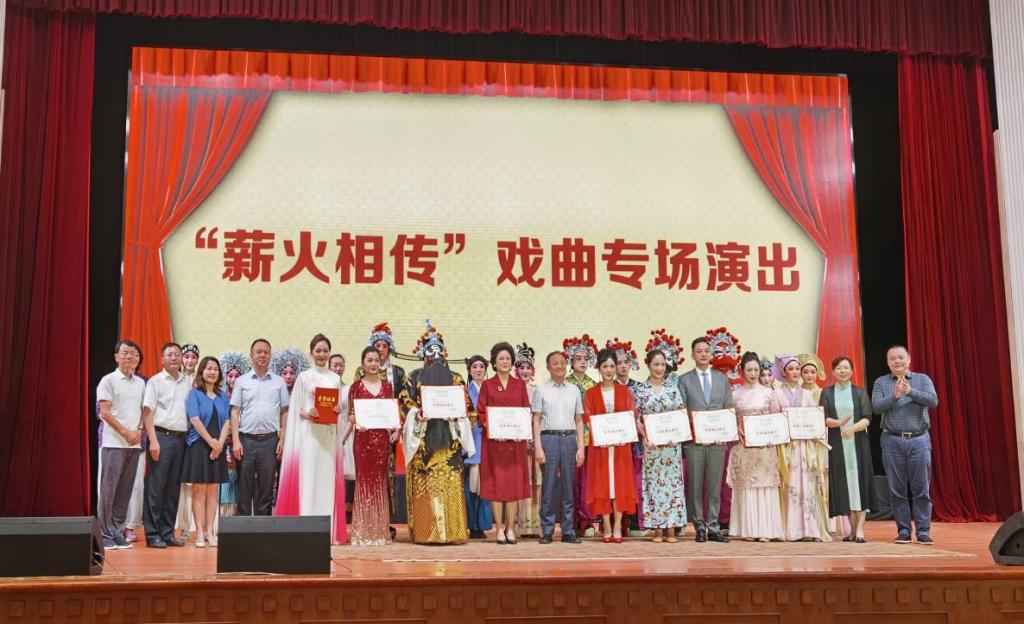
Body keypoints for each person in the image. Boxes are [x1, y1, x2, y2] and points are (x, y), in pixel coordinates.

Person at [400, 324, 475, 544]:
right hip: (424, 445)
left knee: (450, 486)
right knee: (425, 486)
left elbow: (469, 410)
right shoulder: (413, 377)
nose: (435, 359)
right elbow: (404, 402)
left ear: (444, 356)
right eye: (430, 355)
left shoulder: (456, 379)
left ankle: (453, 532)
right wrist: (417, 413)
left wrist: (458, 415)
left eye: (439, 355)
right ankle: (426, 533)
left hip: (450, 445)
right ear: (424, 357)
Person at [275, 334, 348, 544]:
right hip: (309, 436)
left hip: (328, 437)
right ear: (311, 353)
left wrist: (337, 410)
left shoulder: (335, 379)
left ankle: (326, 531)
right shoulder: (303, 377)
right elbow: (296, 408)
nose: (322, 354)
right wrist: (308, 413)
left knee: (326, 479)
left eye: (325, 351)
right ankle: (305, 529)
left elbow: (337, 408)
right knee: (308, 478)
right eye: (318, 351)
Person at [871, 345, 938, 545]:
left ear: (908, 359)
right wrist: (895, 396)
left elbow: (933, 401)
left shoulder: (922, 379)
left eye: (900, 357)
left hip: (919, 440)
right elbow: (876, 407)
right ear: (888, 362)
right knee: (896, 490)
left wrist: (911, 392)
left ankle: (923, 531)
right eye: (892, 358)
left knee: (921, 489)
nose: (897, 361)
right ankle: (904, 531)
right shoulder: (881, 382)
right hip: (892, 441)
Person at [677, 336, 734, 543]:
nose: (703, 354)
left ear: (711, 354)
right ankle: (699, 526)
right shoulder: (684, 380)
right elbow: (682, 410)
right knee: (695, 485)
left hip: (717, 441)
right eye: (698, 351)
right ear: (692, 355)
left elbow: (729, 407)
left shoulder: (721, 379)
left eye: (706, 351)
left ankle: (713, 526)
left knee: (714, 485)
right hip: (695, 442)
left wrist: (724, 433)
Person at [582, 349, 639, 543]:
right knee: (603, 486)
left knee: (620, 485)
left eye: (612, 366)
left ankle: (617, 525)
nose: (609, 370)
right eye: (605, 366)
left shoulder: (624, 392)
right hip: (600, 447)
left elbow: (631, 416)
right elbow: (588, 419)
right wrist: (602, 434)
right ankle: (606, 524)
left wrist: (624, 434)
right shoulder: (590, 393)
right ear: (598, 368)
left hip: (621, 447)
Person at [478, 342, 532, 545]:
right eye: (501, 358)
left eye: (508, 358)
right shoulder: (488, 385)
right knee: (496, 485)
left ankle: (510, 528)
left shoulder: (519, 385)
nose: (505, 361)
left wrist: (522, 431)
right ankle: (499, 528)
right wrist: (492, 429)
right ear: (494, 361)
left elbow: (525, 410)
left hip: (515, 444)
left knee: (512, 486)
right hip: (494, 444)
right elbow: (481, 412)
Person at [727, 352, 784, 542]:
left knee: (765, 486)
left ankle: (766, 530)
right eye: (749, 370)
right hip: (743, 447)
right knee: (747, 487)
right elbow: (730, 420)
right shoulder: (735, 394)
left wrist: (772, 435)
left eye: (756, 370)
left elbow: (776, 419)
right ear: (742, 371)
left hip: (765, 448)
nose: (753, 373)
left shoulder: (769, 393)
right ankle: (749, 530)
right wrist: (738, 431)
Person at [773, 354, 831, 542]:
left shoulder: (807, 395)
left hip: (805, 447)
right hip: (786, 447)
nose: (795, 372)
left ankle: (810, 529)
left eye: (797, 369)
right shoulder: (777, 394)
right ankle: (791, 530)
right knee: (790, 484)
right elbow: (774, 421)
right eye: (791, 369)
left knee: (807, 485)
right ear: (783, 372)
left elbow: (814, 420)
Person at [96, 340, 146, 550]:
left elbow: (144, 410)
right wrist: (126, 432)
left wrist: (139, 430)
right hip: (113, 443)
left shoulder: (141, 383)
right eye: (125, 353)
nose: (129, 357)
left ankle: (117, 531)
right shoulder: (108, 380)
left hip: (133, 445)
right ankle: (104, 533)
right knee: (109, 490)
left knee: (124, 491)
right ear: (116, 356)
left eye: (133, 354)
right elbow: (105, 412)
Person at [231, 339, 289, 516]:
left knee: (266, 489)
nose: (262, 355)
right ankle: (243, 527)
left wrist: (282, 439)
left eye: (266, 352)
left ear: (270, 356)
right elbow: (235, 411)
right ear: (251, 355)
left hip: (270, 441)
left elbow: (285, 412)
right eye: (259, 352)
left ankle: (264, 528)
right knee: (244, 487)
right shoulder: (241, 381)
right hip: (246, 441)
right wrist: (236, 441)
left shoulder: (279, 382)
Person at [532, 351, 585, 544]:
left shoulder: (574, 390)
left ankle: (568, 531)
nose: (560, 366)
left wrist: (581, 447)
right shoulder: (541, 390)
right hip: (549, 439)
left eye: (563, 363)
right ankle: (547, 531)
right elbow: (536, 420)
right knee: (549, 486)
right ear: (548, 367)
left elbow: (579, 420)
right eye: (555, 363)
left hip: (570, 440)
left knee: (569, 487)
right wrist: (538, 447)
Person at [634, 348, 687, 543]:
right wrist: (644, 435)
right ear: (648, 365)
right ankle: (657, 528)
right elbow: (636, 418)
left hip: (671, 446)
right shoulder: (640, 390)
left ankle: (671, 528)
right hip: (651, 446)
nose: (659, 368)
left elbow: (680, 413)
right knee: (654, 485)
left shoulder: (672, 388)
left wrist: (677, 433)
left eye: (663, 365)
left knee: (672, 485)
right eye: (656, 364)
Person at [141, 342, 190, 548]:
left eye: (177, 354)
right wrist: (153, 440)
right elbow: (147, 412)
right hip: (161, 437)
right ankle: (153, 534)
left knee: (173, 489)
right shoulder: (155, 382)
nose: (174, 357)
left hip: (181, 439)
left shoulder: (187, 382)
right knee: (156, 487)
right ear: (162, 359)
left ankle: (167, 532)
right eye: (169, 354)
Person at [348, 346, 399, 546]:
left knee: (379, 483)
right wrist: (353, 421)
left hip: (382, 442)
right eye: (369, 360)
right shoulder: (355, 387)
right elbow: (351, 415)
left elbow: (392, 413)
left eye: (376, 360)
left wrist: (396, 429)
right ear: (362, 363)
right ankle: (362, 532)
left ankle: (380, 532)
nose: (373, 364)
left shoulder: (387, 386)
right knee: (364, 484)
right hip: (362, 442)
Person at [822, 356, 875, 543]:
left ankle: (860, 529)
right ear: (833, 372)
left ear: (852, 371)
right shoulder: (827, 393)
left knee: (860, 484)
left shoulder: (860, 392)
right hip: (837, 445)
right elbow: (823, 418)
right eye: (839, 368)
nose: (843, 371)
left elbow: (868, 417)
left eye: (846, 368)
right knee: (846, 486)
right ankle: (851, 530)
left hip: (858, 444)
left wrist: (853, 428)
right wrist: (839, 423)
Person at [182, 356, 230, 548]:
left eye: (215, 369)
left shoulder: (223, 396)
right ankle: (199, 532)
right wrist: (211, 442)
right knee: (199, 489)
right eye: (209, 368)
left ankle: (210, 531)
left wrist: (219, 444)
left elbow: (227, 421)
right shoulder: (194, 394)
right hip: (199, 445)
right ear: (202, 371)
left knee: (213, 490)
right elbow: (194, 419)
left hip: (218, 446)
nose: (212, 372)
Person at [608, 338, 645, 537]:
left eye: (625, 362)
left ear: (631, 365)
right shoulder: (607, 388)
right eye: (618, 363)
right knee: (615, 482)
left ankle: (637, 523)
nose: (622, 366)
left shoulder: (640, 387)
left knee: (636, 481)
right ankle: (616, 525)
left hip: (635, 442)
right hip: (615, 441)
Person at [563, 334, 599, 537]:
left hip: (588, 437)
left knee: (587, 481)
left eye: (586, 358)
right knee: (570, 481)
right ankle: (570, 522)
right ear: (571, 361)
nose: (583, 362)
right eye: (578, 359)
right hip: (568, 436)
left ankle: (588, 521)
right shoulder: (564, 383)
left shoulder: (593, 385)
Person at [463, 355, 493, 539]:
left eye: (482, 366)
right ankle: (472, 525)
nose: (478, 370)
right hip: (472, 441)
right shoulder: (465, 392)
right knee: (470, 486)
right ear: (469, 370)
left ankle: (482, 525)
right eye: (474, 367)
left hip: (489, 440)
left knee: (486, 485)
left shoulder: (491, 389)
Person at [218, 351, 251, 518]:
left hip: (243, 441)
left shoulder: (246, 395)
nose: (233, 379)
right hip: (224, 443)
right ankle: (223, 516)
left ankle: (239, 513)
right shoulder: (221, 397)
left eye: (237, 376)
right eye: (230, 376)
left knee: (242, 477)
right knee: (227, 476)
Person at [514, 342, 542, 538]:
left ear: (533, 370)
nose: (525, 371)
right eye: (521, 367)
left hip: (535, 442)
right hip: (517, 443)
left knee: (536, 482)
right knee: (519, 481)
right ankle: (520, 524)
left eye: (528, 367)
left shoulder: (538, 390)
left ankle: (535, 525)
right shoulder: (512, 389)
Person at [176, 343, 201, 541]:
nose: (190, 361)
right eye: (186, 357)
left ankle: (199, 527)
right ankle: (184, 528)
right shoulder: (177, 378)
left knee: (197, 482)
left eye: (193, 357)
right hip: (178, 434)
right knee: (183, 484)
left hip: (196, 436)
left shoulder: (201, 381)